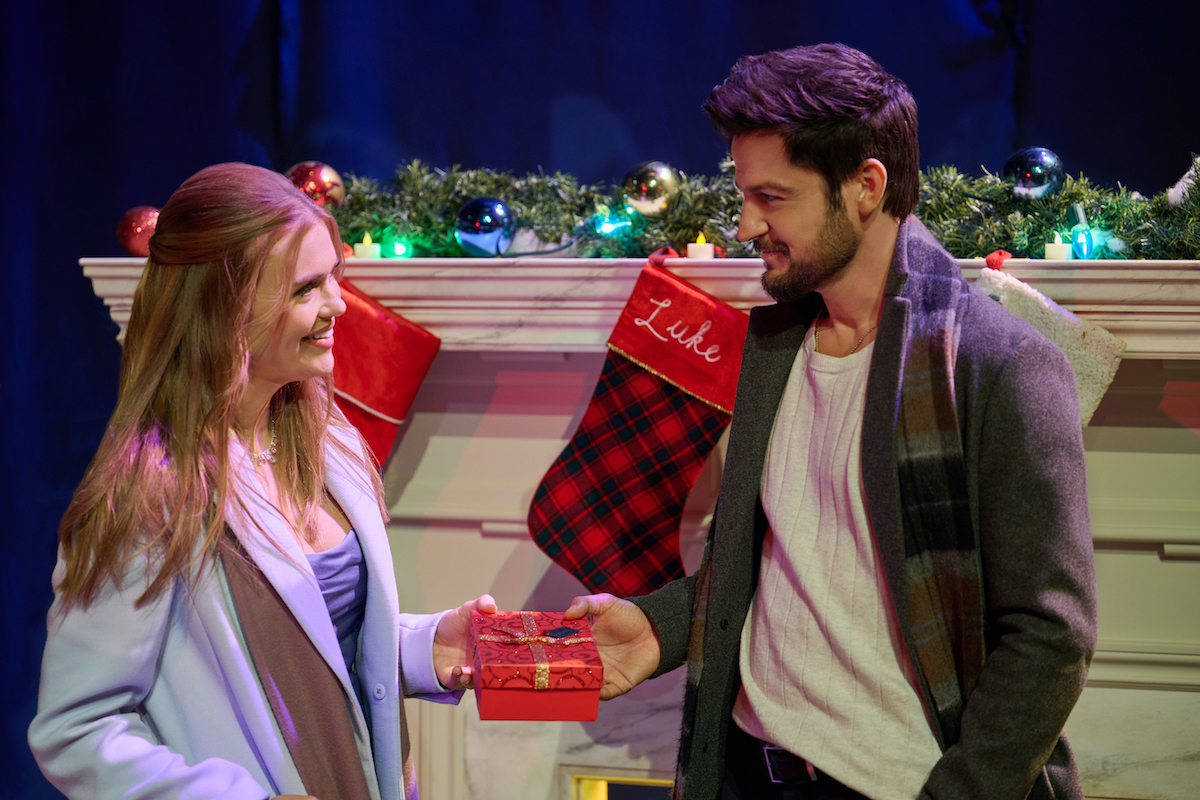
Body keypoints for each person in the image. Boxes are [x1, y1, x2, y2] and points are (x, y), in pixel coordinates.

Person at [566, 44, 1097, 800]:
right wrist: (654, 628)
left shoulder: (1001, 366)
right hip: (749, 767)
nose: (747, 223)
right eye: (746, 193)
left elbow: (1052, 637)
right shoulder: (777, 345)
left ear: (865, 188)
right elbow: (775, 560)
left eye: (773, 197)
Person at [28, 162, 496, 800]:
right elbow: (75, 728)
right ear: (226, 308)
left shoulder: (330, 443)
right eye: (306, 288)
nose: (337, 304)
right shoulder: (152, 493)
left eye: (334, 276)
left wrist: (422, 647)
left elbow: (312, 649)